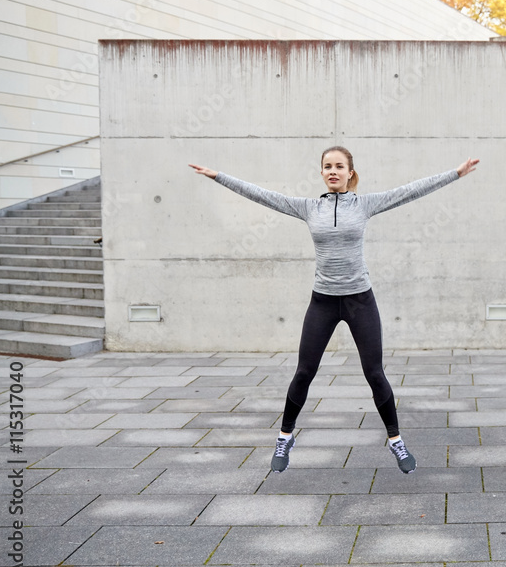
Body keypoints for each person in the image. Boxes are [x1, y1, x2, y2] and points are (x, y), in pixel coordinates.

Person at [190, 148, 479, 473]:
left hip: (359, 301)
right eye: (327, 166)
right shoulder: (309, 208)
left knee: (375, 373)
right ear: (322, 172)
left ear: (350, 172)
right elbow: (262, 195)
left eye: (339, 166)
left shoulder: (365, 204)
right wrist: (218, 177)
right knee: (304, 372)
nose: (332, 171)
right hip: (323, 302)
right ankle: (285, 437)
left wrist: (455, 173)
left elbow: (410, 191)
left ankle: (396, 441)